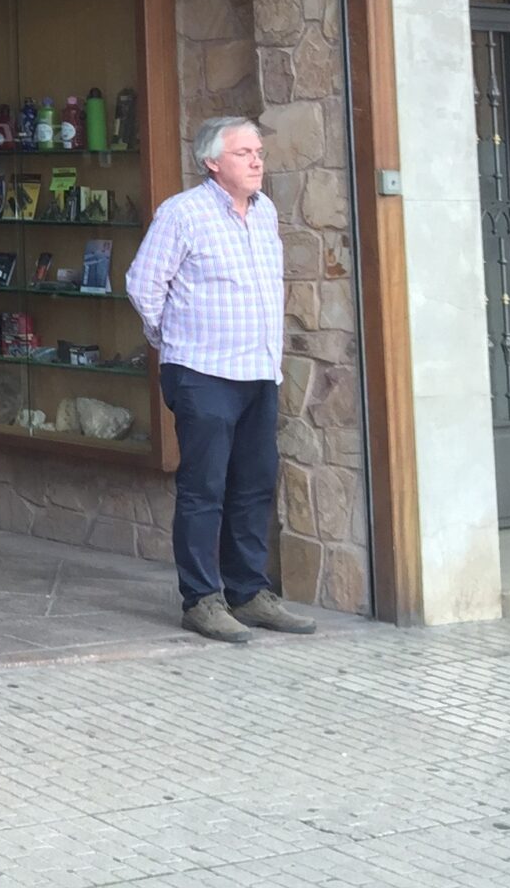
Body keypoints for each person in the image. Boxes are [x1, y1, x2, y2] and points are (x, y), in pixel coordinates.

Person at [126, 115, 317, 644]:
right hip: (203, 373)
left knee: (254, 487)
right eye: (244, 153)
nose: (257, 161)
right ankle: (202, 599)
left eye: (259, 152)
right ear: (213, 162)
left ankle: (249, 592)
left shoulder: (266, 213)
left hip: (258, 371)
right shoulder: (182, 214)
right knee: (203, 489)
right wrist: (174, 345)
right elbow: (144, 286)